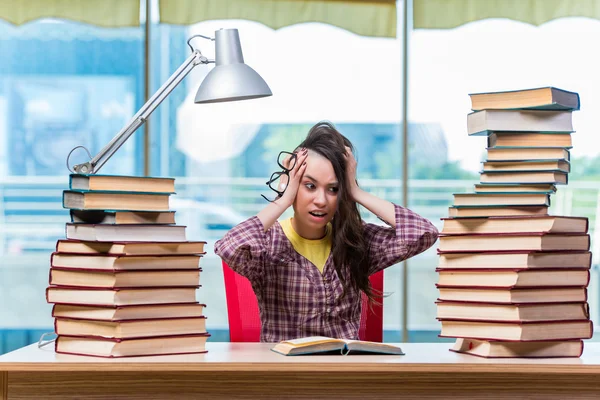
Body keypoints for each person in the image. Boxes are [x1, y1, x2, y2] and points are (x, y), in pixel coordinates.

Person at [215, 121, 438, 342]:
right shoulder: (268, 243)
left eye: (333, 189)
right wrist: (283, 199)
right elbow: (228, 247)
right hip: (286, 372)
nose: (321, 201)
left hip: (343, 372)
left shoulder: (353, 240)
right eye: (309, 186)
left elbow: (423, 233)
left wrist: (355, 190)